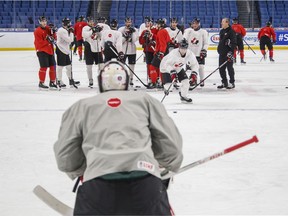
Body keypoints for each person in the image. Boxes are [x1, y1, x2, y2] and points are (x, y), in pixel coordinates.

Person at [54, 60, 183, 215]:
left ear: (100, 84)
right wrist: (164, 168)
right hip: (145, 185)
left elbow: (65, 158)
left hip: (97, 190)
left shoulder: (81, 107)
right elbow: (171, 146)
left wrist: (89, 169)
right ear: (127, 83)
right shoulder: (146, 101)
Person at [160, 38, 199, 103]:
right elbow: (167, 64)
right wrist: (172, 72)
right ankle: (166, 88)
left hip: (178, 68)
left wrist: (194, 74)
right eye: (181, 48)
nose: (183, 50)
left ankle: (184, 96)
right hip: (165, 68)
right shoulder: (174, 54)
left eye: (185, 48)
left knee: (186, 82)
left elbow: (195, 64)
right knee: (170, 87)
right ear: (179, 47)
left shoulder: (190, 54)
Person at [183, 17, 208, 88]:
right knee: (191, 68)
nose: (195, 24)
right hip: (190, 54)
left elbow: (206, 43)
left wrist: (204, 50)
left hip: (199, 53)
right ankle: (193, 80)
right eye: (194, 23)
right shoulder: (188, 31)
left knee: (201, 67)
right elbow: (184, 40)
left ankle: (202, 80)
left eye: (197, 23)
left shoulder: (203, 32)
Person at [34, 16, 57, 90]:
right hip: (42, 51)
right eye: (42, 21)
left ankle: (52, 82)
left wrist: (53, 32)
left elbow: (54, 38)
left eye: (45, 21)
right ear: (39, 22)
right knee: (44, 67)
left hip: (50, 50)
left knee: (53, 67)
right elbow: (39, 43)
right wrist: (48, 40)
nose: (44, 22)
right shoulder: (37, 31)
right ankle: (41, 82)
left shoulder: (48, 28)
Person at [56, 17, 80, 88]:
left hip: (65, 50)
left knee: (69, 66)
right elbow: (70, 40)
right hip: (61, 50)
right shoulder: (61, 30)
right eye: (69, 22)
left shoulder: (66, 30)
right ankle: (59, 80)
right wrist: (72, 33)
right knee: (60, 66)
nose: (70, 24)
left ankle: (70, 79)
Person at [82, 17, 104, 88]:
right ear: (88, 22)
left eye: (92, 21)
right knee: (89, 66)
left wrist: (99, 31)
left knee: (101, 65)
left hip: (97, 48)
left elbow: (101, 37)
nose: (91, 23)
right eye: (90, 21)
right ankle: (90, 79)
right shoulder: (85, 28)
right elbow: (84, 35)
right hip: (89, 48)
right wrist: (92, 31)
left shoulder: (97, 27)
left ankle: (101, 79)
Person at [150, 18, 171, 88]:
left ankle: (154, 82)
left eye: (157, 24)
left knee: (152, 66)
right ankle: (163, 82)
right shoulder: (164, 31)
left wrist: (161, 53)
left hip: (161, 52)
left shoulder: (161, 32)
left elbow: (163, 44)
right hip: (164, 52)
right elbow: (169, 41)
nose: (156, 25)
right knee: (162, 67)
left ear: (160, 25)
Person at [217, 18, 237, 89]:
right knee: (221, 69)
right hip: (221, 53)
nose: (221, 23)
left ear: (227, 22)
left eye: (222, 22)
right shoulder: (222, 31)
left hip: (228, 54)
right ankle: (224, 82)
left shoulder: (231, 31)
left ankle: (232, 82)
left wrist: (231, 52)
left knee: (229, 68)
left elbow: (234, 43)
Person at [118, 17, 138, 86]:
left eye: (129, 22)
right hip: (123, 50)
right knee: (121, 65)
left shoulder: (135, 29)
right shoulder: (121, 29)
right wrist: (125, 37)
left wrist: (132, 34)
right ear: (125, 22)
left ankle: (131, 79)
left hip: (132, 50)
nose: (128, 23)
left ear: (131, 22)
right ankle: (121, 79)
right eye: (127, 22)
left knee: (131, 66)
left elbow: (134, 40)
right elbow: (119, 41)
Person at [139, 17, 158, 88]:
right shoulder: (144, 31)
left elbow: (158, 38)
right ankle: (150, 79)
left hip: (155, 51)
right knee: (149, 65)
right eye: (146, 22)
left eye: (149, 22)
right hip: (148, 51)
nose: (148, 24)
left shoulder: (155, 30)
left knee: (156, 66)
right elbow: (141, 42)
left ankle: (156, 79)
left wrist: (152, 36)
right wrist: (144, 37)